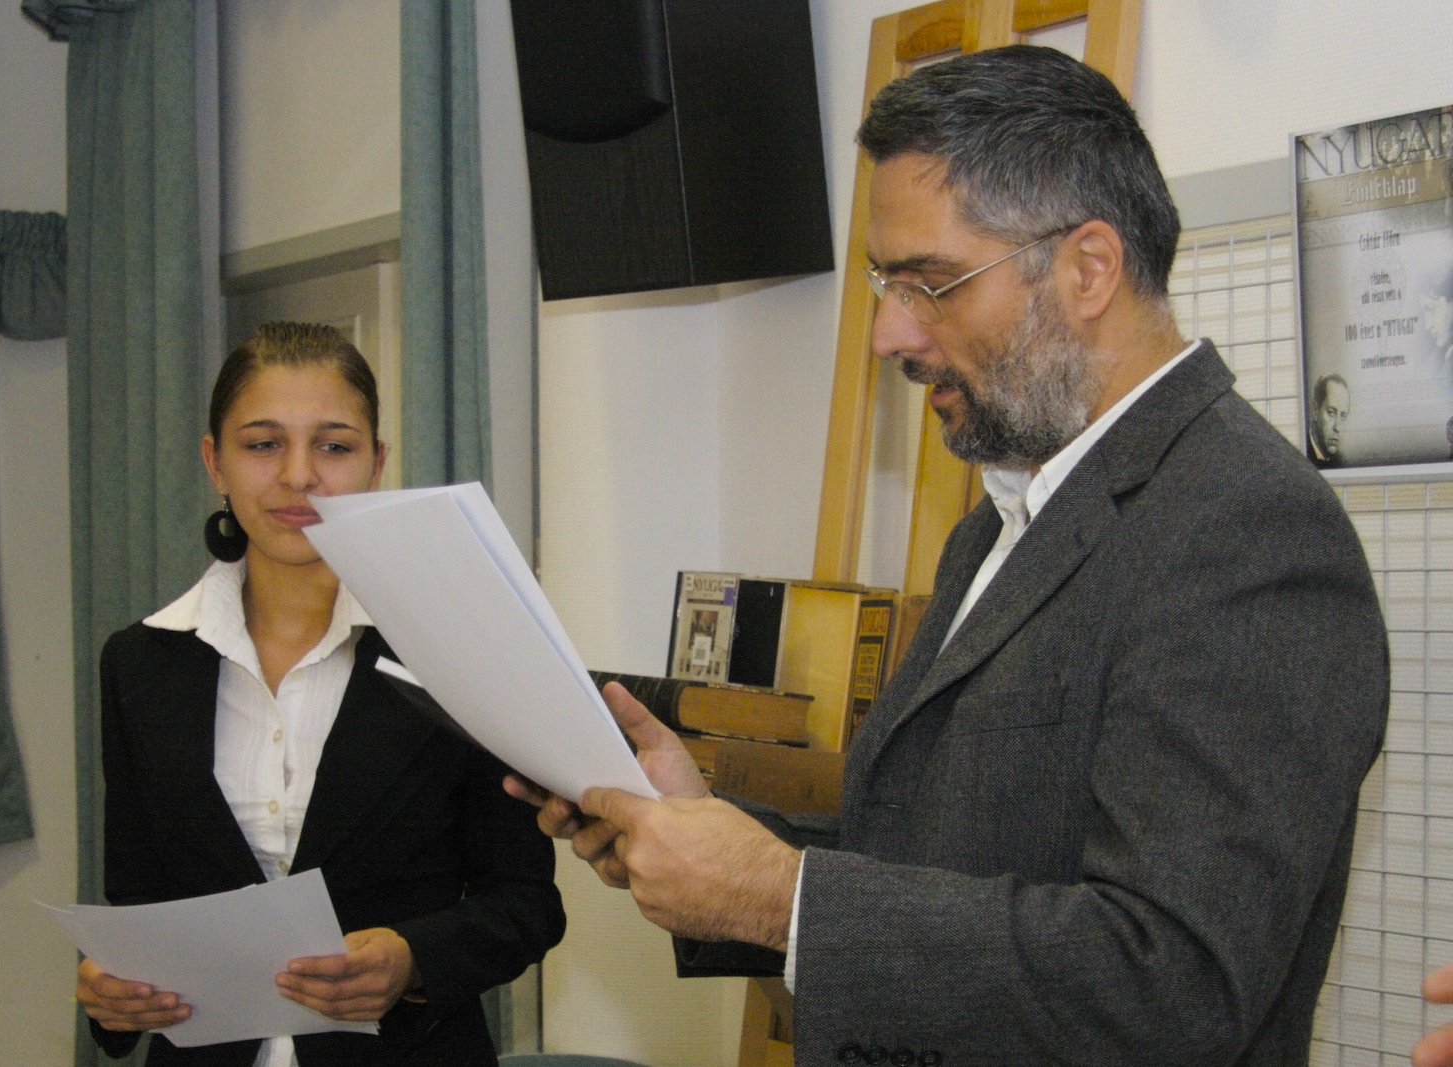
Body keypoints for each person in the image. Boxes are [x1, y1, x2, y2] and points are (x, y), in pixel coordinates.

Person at [509, 46, 1389, 1065]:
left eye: (931, 284)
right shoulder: (1003, 517)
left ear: (1088, 269)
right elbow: (930, 859)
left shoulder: (1249, 530)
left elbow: (1171, 979)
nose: (888, 334)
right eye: (886, 285)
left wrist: (779, 897)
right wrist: (707, 828)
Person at [77, 322, 565, 1067]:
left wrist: (412, 959)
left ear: (377, 463)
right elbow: (137, 898)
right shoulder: (140, 663)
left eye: (334, 446)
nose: (298, 474)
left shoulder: (461, 649)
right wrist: (112, 993)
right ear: (214, 461)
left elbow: (526, 902)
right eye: (262, 443)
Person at [1308, 372, 1349, 468]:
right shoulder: (1301, 453)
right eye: (1331, 413)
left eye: (1343, 416)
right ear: (1315, 411)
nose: (1337, 428)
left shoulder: (1340, 462)